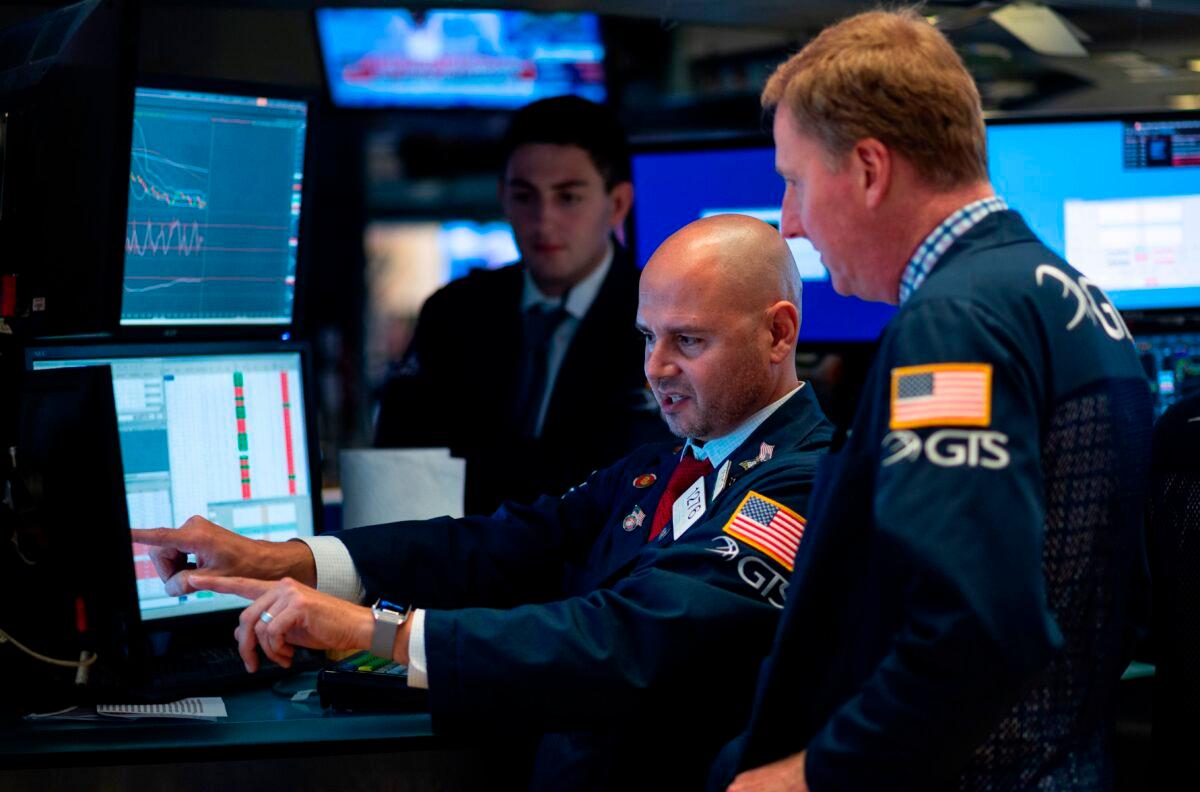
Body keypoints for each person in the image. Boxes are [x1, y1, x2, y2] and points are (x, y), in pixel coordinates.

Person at [135, 215, 834, 790]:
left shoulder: (806, 482)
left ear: (779, 333)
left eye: (689, 341)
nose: (655, 369)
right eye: (648, 339)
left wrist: (368, 631)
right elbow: (500, 546)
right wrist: (284, 558)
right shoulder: (662, 466)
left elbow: (618, 640)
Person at [714, 9, 1153, 791]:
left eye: (795, 180)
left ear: (871, 170)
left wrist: (810, 776)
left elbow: (975, 630)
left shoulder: (955, 322)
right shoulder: (1074, 297)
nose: (788, 222)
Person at [374, 95, 665, 515]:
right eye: (525, 196)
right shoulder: (454, 313)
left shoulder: (659, 314)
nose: (543, 221)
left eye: (568, 198)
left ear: (617, 204)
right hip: (457, 560)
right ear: (503, 197)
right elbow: (398, 462)